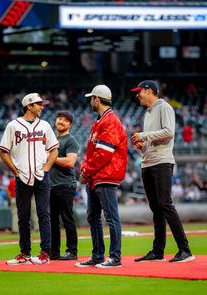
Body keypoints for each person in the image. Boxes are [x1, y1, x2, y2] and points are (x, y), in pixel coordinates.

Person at [130, 80, 195, 263]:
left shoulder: (164, 107)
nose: (137, 95)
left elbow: (169, 132)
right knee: (156, 209)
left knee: (165, 204)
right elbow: (152, 141)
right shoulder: (147, 113)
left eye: (139, 92)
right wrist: (141, 147)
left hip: (162, 162)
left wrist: (143, 135)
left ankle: (185, 250)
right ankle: (158, 251)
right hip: (148, 162)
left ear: (149, 90)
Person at [0, 93, 59, 265]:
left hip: (41, 175)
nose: (42, 107)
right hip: (22, 176)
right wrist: (15, 171)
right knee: (23, 216)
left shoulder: (45, 125)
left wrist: (47, 166)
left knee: (43, 214)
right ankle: (25, 253)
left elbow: (54, 149)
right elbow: (3, 151)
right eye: (39, 104)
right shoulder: (13, 125)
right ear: (29, 106)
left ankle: (45, 253)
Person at [75, 85, 128, 268]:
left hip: (105, 175)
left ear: (97, 99)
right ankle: (98, 255)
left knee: (111, 217)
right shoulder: (100, 121)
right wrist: (85, 169)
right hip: (95, 176)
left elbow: (103, 153)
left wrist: (86, 171)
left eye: (92, 98)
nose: (90, 101)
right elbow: (91, 152)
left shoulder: (110, 120)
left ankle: (115, 257)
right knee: (93, 217)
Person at [50, 111, 80, 260]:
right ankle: (53, 252)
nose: (61, 121)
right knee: (52, 221)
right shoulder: (51, 139)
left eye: (65, 120)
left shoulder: (71, 140)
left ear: (70, 125)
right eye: (59, 118)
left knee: (67, 218)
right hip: (50, 186)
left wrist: (51, 157)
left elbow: (70, 162)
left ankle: (72, 251)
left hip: (65, 185)